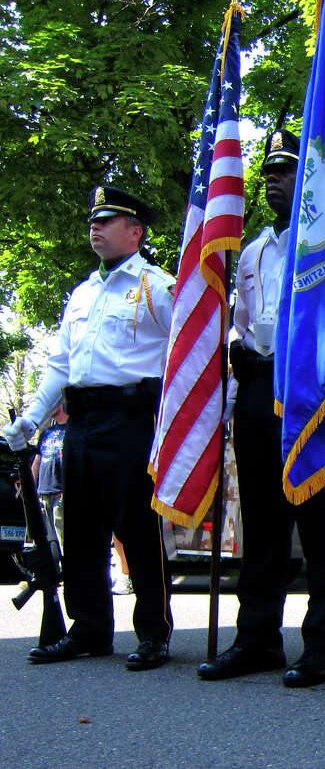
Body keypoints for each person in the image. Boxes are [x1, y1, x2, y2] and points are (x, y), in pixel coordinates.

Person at [3, 186, 175, 671]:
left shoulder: (157, 286)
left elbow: (190, 350)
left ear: (136, 232)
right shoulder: (83, 293)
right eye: (93, 221)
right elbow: (60, 364)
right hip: (81, 421)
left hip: (131, 419)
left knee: (137, 527)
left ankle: (153, 631)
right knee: (80, 528)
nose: (94, 227)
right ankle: (89, 628)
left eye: (107, 220)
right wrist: (33, 418)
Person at [196, 129, 325, 688]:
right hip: (259, 393)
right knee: (260, 524)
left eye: (285, 171)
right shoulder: (254, 250)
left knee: (319, 524)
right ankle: (256, 638)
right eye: (269, 173)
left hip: (310, 393)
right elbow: (241, 324)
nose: (273, 180)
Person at [31, 404, 67, 561]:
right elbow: (37, 461)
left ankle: (70, 572)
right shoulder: (46, 433)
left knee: (65, 541)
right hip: (43, 494)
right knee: (47, 542)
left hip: (61, 495)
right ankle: (52, 572)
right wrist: (29, 487)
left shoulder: (72, 430)